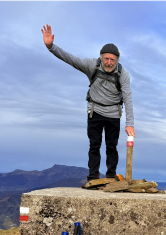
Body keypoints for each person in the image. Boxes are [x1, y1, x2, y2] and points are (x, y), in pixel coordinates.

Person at [41, 24, 135, 183]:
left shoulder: (123, 74)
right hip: (95, 111)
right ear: (101, 57)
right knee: (94, 145)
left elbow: (128, 97)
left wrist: (130, 123)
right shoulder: (92, 65)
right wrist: (51, 47)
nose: (109, 62)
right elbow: (70, 59)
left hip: (113, 113)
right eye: (106, 58)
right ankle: (93, 177)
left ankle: (111, 177)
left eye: (112, 59)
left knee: (111, 147)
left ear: (117, 60)